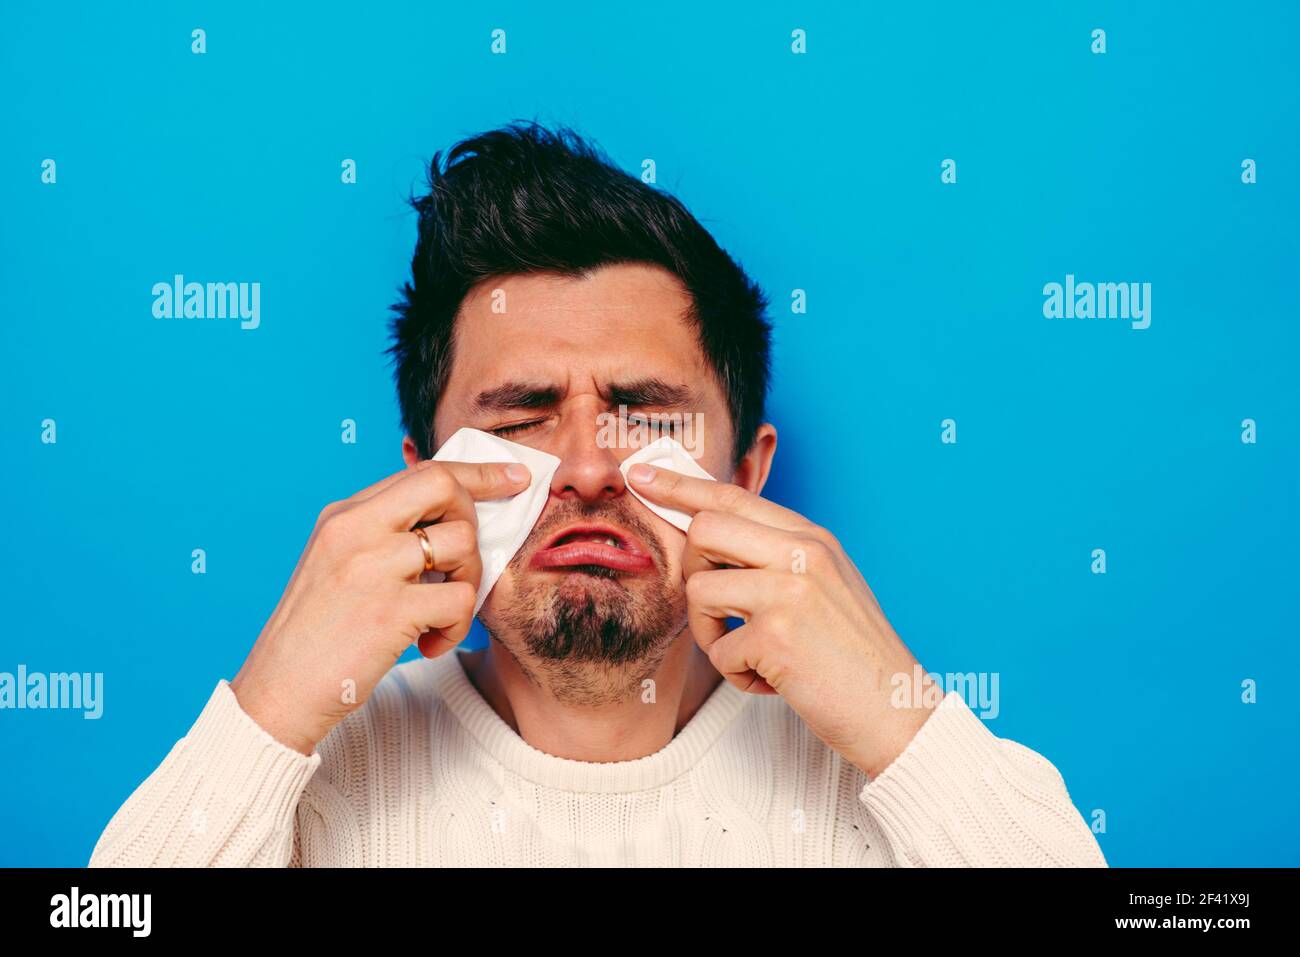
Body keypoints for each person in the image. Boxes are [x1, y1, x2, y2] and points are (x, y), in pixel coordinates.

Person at [88, 121, 1106, 867]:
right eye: (523, 415)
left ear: (747, 476)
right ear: (420, 482)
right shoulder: (307, 785)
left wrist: (907, 728)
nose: (585, 469)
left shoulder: (879, 781)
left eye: (645, 412)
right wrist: (264, 717)